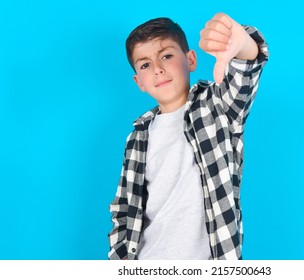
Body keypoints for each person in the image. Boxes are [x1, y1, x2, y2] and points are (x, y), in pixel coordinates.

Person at [108, 12, 269, 260]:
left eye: (167, 56)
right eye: (145, 64)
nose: (158, 69)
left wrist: (240, 43)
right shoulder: (137, 137)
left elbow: (245, 69)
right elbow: (124, 207)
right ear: (139, 81)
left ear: (190, 59)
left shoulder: (217, 107)